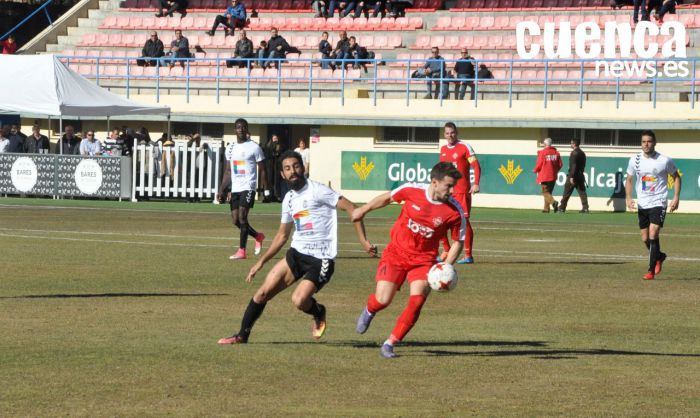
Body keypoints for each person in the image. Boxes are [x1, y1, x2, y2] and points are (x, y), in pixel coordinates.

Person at [217, 150, 377, 345]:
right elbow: (282, 236)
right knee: (262, 293)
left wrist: (363, 241)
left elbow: (353, 209)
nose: (292, 171)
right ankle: (242, 336)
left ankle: (318, 311)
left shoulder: (319, 190)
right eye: (287, 168)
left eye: (296, 166)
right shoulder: (289, 199)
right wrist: (261, 262)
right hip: (297, 254)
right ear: (282, 175)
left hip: (321, 259)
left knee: (299, 300)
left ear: (303, 168)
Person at [352, 162, 466, 359]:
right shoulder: (411, 190)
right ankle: (370, 310)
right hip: (395, 254)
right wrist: (364, 209)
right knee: (383, 300)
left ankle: (390, 343)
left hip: (424, 261)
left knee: (417, 301)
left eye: (454, 185)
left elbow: (458, 242)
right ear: (435, 182)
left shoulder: (455, 211)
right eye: (449, 186)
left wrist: (446, 267)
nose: (453, 190)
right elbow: (387, 198)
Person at [625, 130, 681, 280]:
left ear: (654, 142)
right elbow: (629, 179)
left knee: (653, 233)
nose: (646, 144)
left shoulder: (664, 160)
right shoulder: (634, 160)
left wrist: (676, 197)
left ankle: (650, 271)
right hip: (643, 204)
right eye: (643, 142)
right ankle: (659, 256)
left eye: (649, 141)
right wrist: (628, 198)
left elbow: (676, 177)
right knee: (645, 238)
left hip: (659, 202)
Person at [217, 118, 268, 260]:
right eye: (238, 127)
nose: (241, 129)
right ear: (235, 130)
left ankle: (242, 251)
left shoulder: (254, 147)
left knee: (242, 216)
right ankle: (258, 236)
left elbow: (263, 169)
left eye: (243, 127)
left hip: (249, 186)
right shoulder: (230, 148)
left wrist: (266, 188)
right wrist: (221, 189)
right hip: (236, 188)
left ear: (247, 129)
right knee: (235, 220)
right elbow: (228, 171)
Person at [438, 122, 481, 264]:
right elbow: (442, 170)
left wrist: (476, 183)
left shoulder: (464, 147)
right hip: (446, 192)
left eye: (452, 132)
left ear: (456, 133)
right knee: (439, 220)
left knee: (464, 222)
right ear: (444, 134)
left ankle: (468, 255)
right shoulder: (443, 149)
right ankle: (446, 249)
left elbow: (476, 165)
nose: (450, 135)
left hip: (461, 192)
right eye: (447, 133)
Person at [558, 138, 589, 214]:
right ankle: (585, 208)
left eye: (571, 143)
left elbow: (573, 165)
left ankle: (562, 208)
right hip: (580, 175)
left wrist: (571, 176)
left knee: (567, 192)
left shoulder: (574, 153)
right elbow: (583, 165)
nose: (570, 144)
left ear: (574, 144)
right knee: (582, 192)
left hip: (573, 175)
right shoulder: (582, 153)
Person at [533, 137, 562, 213]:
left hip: (544, 176)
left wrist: (535, 170)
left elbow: (539, 164)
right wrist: (555, 170)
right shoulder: (556, 153)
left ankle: (554, 202)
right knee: (549, 192)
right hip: (553, 176)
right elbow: (560, 164)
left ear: (545, 144)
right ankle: (546, 209)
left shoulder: (543, 152)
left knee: (545, 192)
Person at [263, 134, 284, 201]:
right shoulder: (268, 145)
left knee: (276, 181)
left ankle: (277, 196)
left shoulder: (279, 145)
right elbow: (266, 155)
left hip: (276, 165)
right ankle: (269, 196)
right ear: (271, 139)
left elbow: (280, 154)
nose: (275, 139)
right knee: (269, 180)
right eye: (274, 138)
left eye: (276, 138)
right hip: (269, 166)